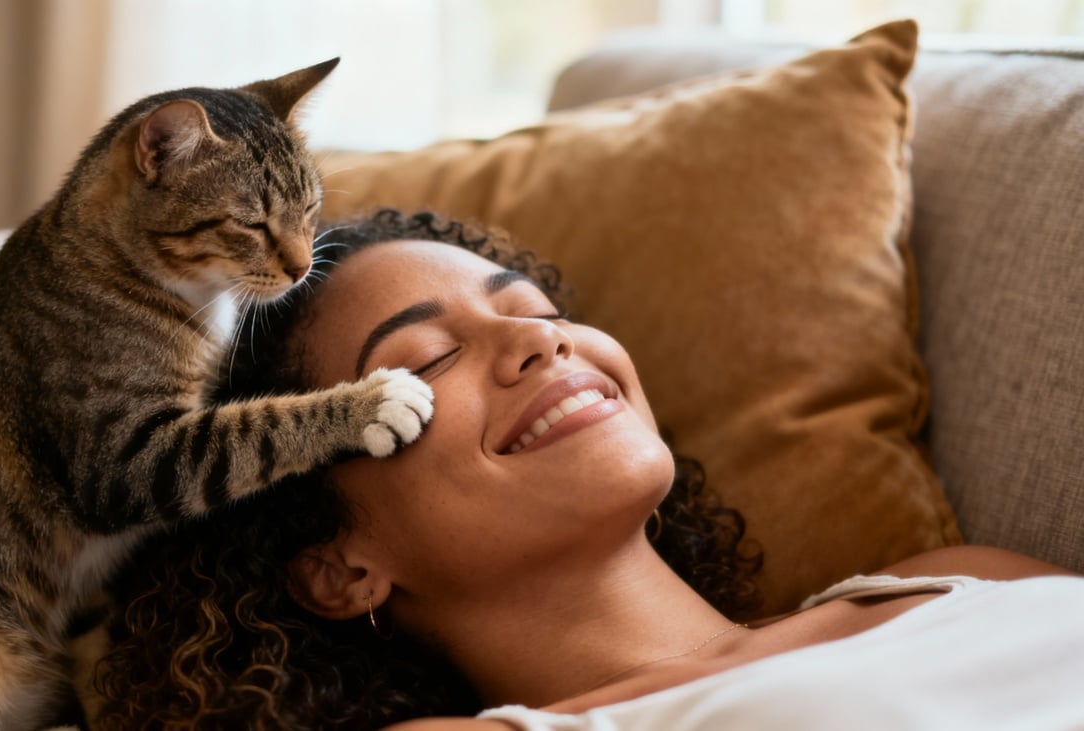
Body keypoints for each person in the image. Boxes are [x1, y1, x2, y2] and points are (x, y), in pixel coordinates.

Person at [93, 209, 1083, 730]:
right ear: (336, 562)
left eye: (530, 306)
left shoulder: (963, 574)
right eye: (422, 361)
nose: (536, 345)